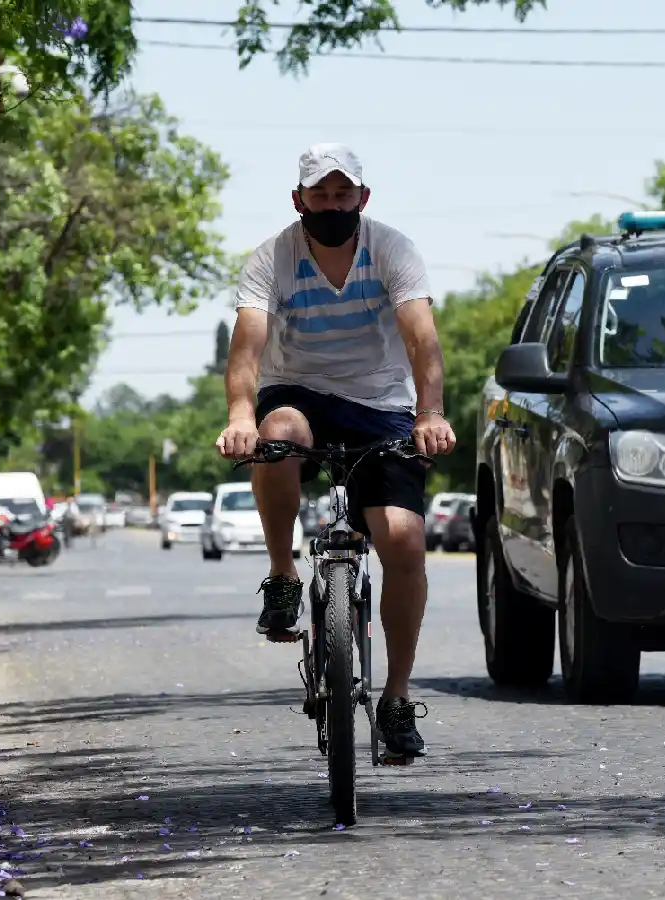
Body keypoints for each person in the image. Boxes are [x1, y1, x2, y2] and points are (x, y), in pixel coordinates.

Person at [215, 142, 456, 759]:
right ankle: (282, 573)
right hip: (297, 391)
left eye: (342, 194)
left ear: (362, 198)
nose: (331, 205)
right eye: (319, 195)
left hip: (381, 403)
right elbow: (247, 346)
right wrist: (241, 415)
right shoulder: (272, 257)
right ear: (299, 201)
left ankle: (397, 698)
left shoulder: (393, 250)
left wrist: (430, 413)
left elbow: (420, 337)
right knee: (278, 433)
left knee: (403, 540)